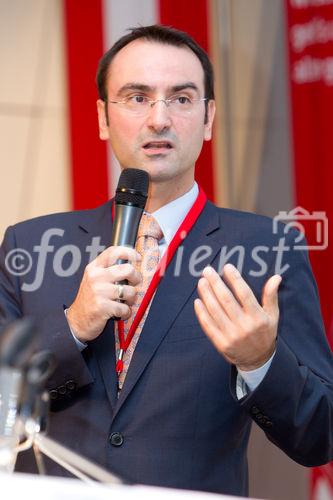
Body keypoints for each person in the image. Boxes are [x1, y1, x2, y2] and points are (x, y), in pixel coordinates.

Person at [0, 25, 332, 497]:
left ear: (209, 117)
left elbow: (320, 435)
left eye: (181, 98)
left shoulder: (268, 250)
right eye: (136, 97)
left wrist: (262, 361)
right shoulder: (29, 246)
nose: (159, 119)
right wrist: (72, 326)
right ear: (102, 117)